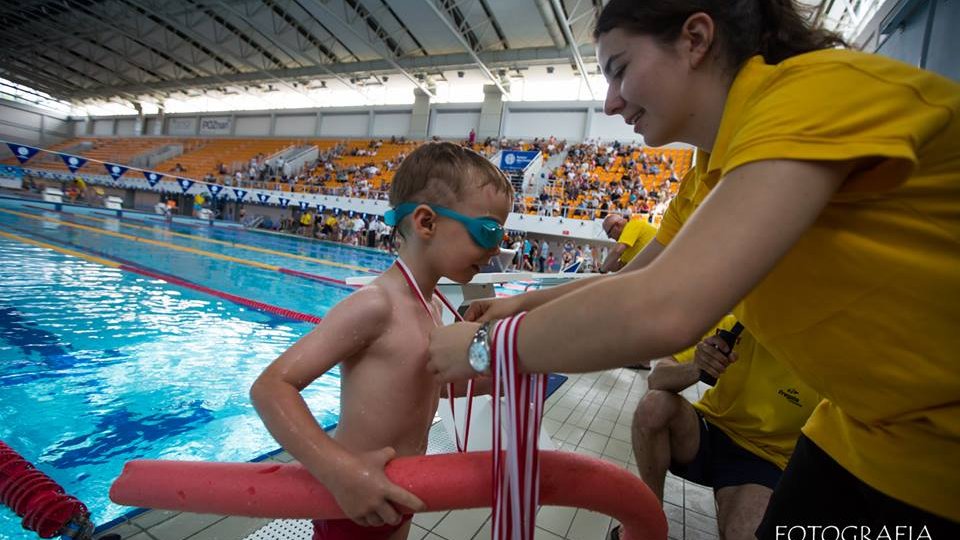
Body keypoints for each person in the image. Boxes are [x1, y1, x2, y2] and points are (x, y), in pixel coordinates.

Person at [427, 0, 960, 536]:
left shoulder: (809, 94)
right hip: (861, 432)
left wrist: (485, 351)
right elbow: (633, 280)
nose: (610, 102)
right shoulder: (711, 170)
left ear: (695, 39)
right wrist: (516, 304)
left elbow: (665, 308)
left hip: (940, 457)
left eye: (619, 70)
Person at [251, 142, 513, 540]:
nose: (497, 247)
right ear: (426, 223)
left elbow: (428, 386)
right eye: (489, 231)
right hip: (354, 498)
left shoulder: (433, 304)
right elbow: (271, 387)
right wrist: (339, 472)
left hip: (399, 491)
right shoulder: (376, 305)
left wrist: (505, 370)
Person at [614, 315, 819, 540]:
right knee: (654, 405)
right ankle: (648, 521)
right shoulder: (738, 324)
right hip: (709, 431)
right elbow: (657, 378)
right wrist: (696, 367)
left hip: (765, 459)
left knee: (744, 532)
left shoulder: (828, 359)